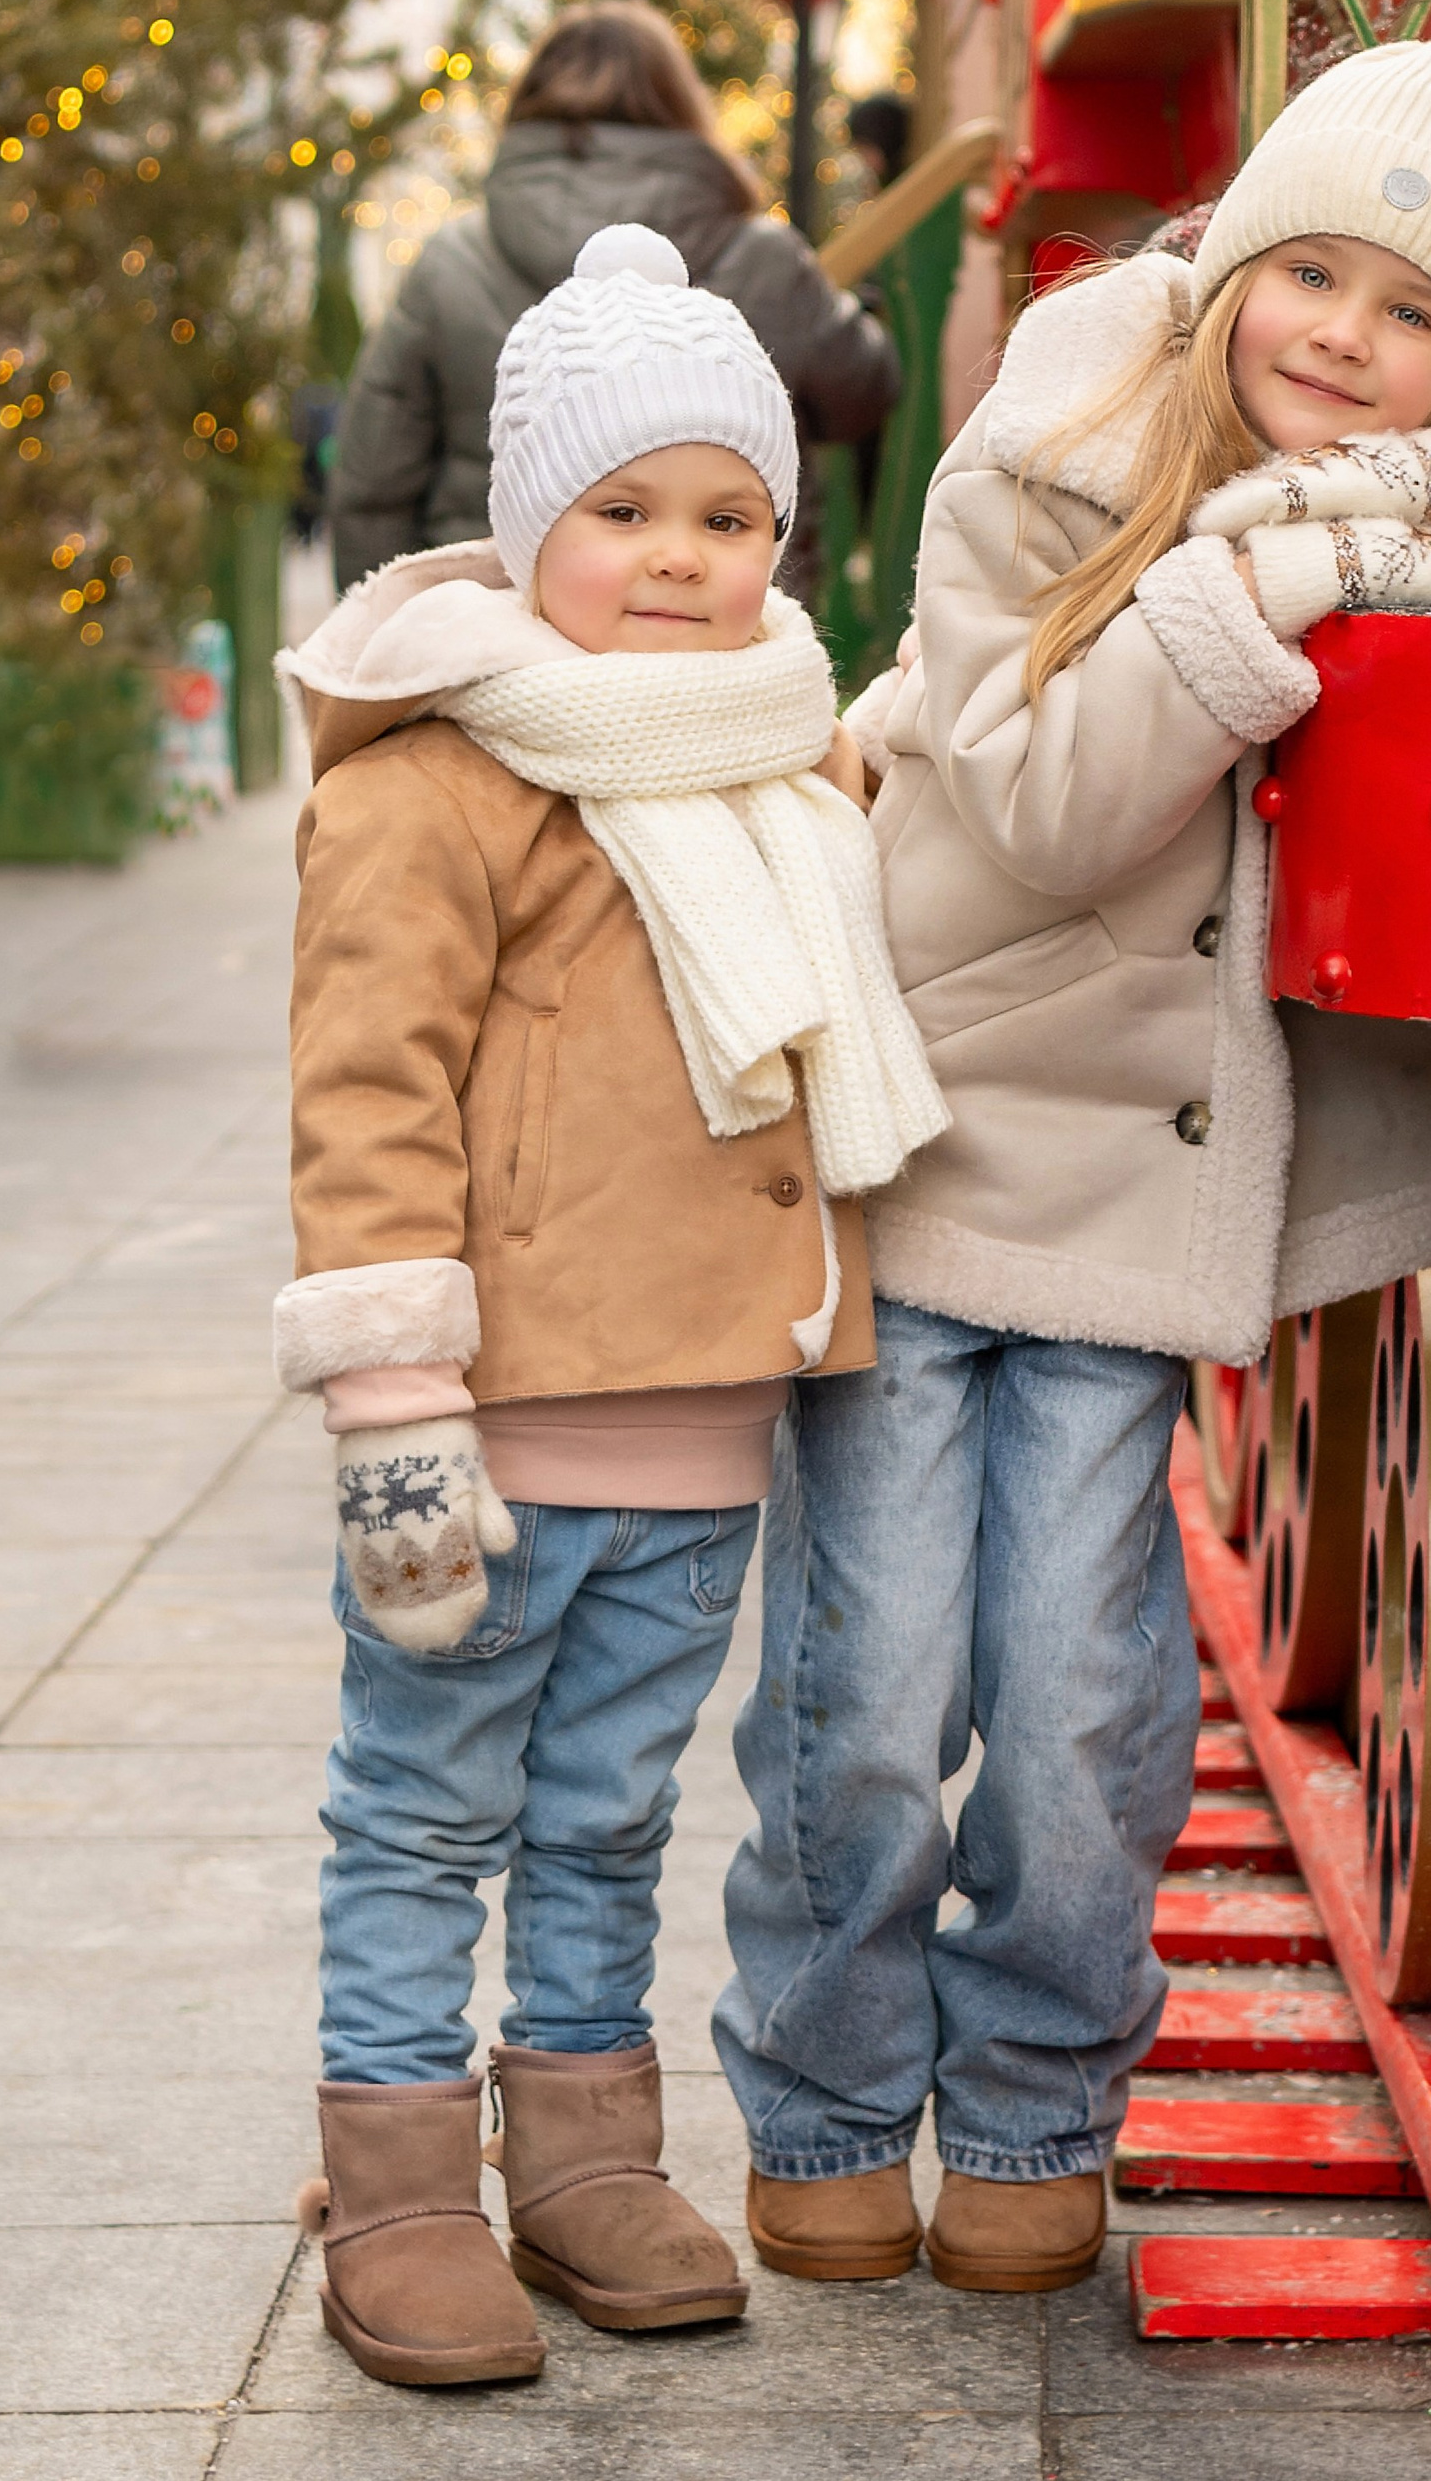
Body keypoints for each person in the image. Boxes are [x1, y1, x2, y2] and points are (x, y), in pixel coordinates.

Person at [716, 39, 1431, 2295]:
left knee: (1086, 1710)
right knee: (876, 1688)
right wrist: (1257, 590)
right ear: (1222, 271)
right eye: (1301, 268)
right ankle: (818, 2094)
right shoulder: (1059, 449)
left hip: (1139, 1218)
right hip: (926, 1141)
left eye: (1403, 313)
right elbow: (1043, 811)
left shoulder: (1409, 472)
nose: (1334, 335)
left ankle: (1027, 2110)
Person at [272, 222, 948, 2391]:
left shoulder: (783, 758)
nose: (681, 557)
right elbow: (367, 1091)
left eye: (729, 513)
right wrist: (392, 1393)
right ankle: (392, 2174)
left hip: (700, 1415)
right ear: (528, 521)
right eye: (626, 509)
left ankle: (577, 2148)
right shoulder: (436, 780)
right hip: (481, 1425)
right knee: (423, 1800)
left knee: (612, 1808)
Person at [329, 2, 900, 606]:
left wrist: (390, 640)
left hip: (491, 640)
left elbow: (374, 484)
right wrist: (851, 312)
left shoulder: (449, 263)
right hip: (722, 640)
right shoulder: (767, 259)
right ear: (683, 109)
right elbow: (864, 393)